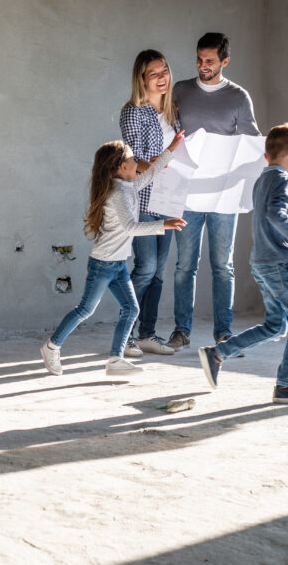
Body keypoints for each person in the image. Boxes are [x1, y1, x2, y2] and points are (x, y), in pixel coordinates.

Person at [40, 134, 187, 377]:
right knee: (85, 310)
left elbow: (151, 174)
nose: (138, 162)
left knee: (131, 308)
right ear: (122, 167)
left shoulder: (128, 186)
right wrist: (164, 224)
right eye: (133, 158)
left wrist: (171, 148)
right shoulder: (117, 194)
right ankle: (51, 347)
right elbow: (130, 227)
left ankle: (115, 360)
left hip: (117, 264)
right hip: (103, 264)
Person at [198, 123, 288, 403]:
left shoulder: (265, 178)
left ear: (266, 157)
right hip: (280, 263)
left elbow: (287, 211)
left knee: (275, 326)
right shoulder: (280, 179)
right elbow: (277, 215)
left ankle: (217, 353)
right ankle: (284, 386)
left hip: (263, 262)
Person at [170, 32, 260, 353]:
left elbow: (251, 142)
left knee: (223, 266)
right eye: (199, 59)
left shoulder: (238, 97)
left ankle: (224, 333)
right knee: (184, 265)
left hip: (223, 194)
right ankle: (181, 331)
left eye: (210, 61)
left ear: (225, 61)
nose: (202, 66)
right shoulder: (181, 90)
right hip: (188, 193)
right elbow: (168, 130)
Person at [119, 50, 181, 357]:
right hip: (143, 199)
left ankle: (147, 334)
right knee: (145, 267)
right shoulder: (134, 112)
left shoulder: (172, 113)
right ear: (141, 79)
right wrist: (163, 161)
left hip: (168, 199)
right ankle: (126, 336)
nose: (162, 78)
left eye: (165, 71)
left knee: (158, 272)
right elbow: (135, 161)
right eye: (154, 73)